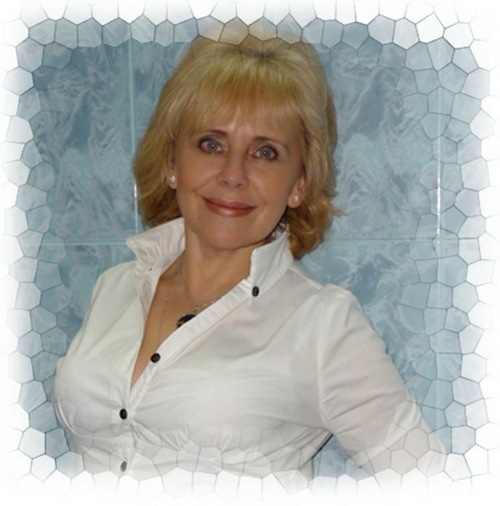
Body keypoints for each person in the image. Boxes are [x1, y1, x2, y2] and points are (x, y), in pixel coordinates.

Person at [53, 32, 445, 493]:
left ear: (299, 184)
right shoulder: (114, 287)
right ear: (172, 162)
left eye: (265, 153)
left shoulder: (322, 325)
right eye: (211, 144)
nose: (233, 175)